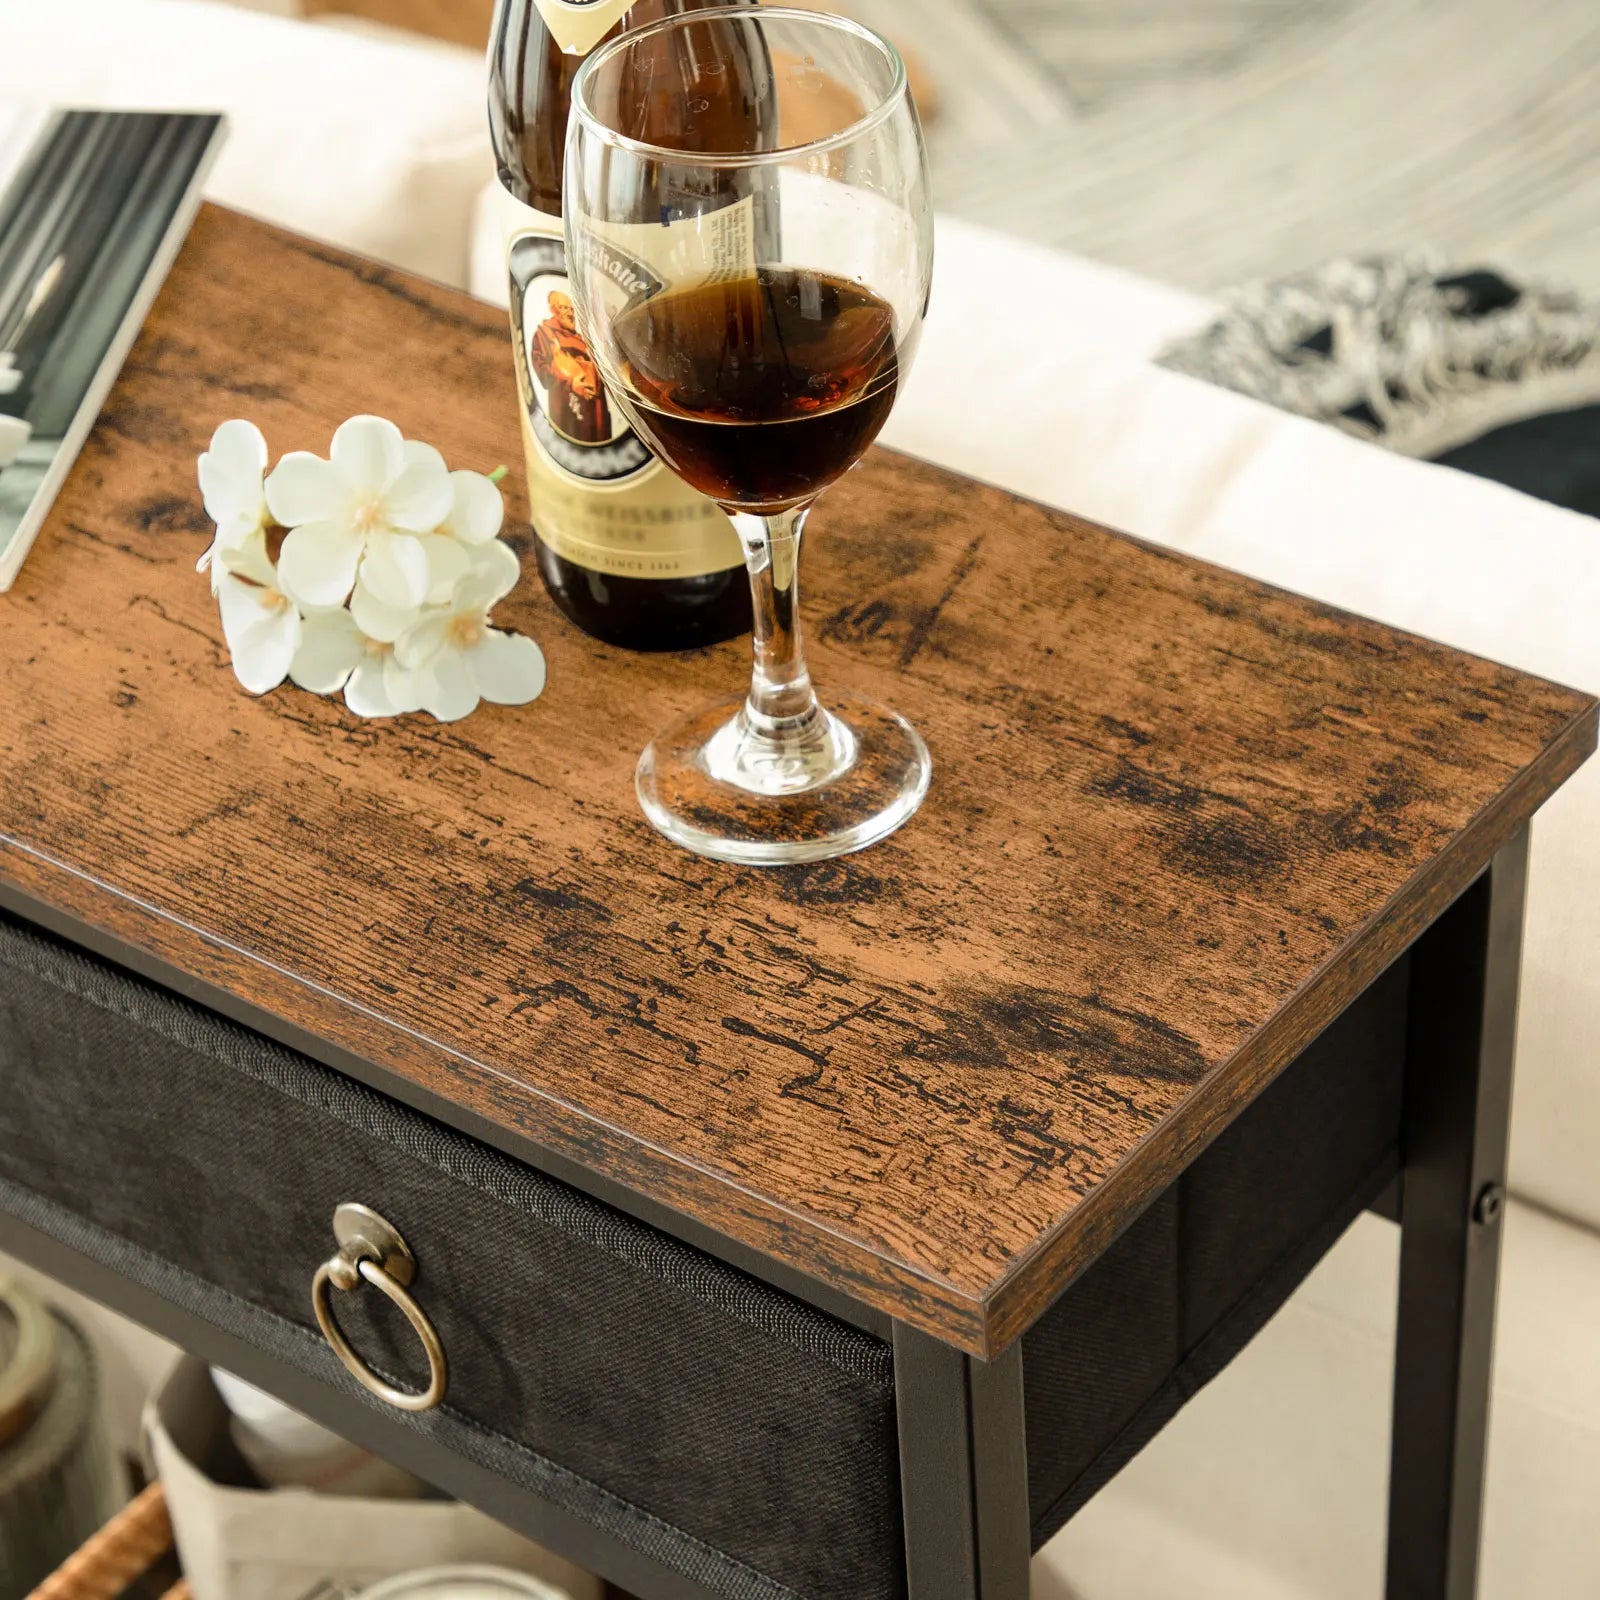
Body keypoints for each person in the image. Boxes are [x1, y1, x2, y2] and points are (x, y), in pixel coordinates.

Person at [530, 290, 611, 444]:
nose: (570, 313)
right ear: (553, 310)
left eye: (572, 309)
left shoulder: (582, 339)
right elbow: (543, 374)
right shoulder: (544, 334)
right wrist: (571, 383)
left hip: (596, 412)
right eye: (564, 308)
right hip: (567, 413)